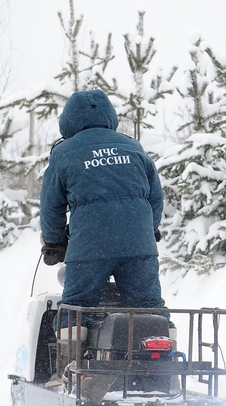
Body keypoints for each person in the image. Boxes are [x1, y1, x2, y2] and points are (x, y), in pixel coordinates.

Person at [39, 89, 168, 333]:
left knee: (76, 308)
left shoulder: (64, 153)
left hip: (90, 247)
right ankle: (163, 354)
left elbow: (51, 206)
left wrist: (54, 242)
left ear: (68, 121)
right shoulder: (133, 148)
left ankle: (69, 361)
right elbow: (155, 197)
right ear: (110, 116)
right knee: (149, 307)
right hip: (138, 246)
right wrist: (148, 231)